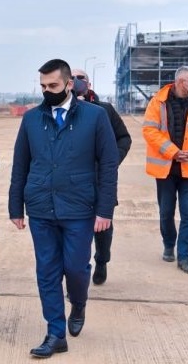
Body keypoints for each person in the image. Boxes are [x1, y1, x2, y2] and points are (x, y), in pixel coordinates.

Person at [9, 59, 119, 359]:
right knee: (47, 271)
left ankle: (79, 304)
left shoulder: (95, 116)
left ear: (69, 84)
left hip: (79, 208)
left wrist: (105, 210)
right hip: (41, 207)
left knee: (76, 268)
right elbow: (20, 164)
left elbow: (108, 165)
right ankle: (55, 333)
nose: (48, 91)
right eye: (43, 86)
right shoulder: (32, 119)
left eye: (53, 85)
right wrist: (15, 206)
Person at [142, 66, 188, 274]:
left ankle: (184, 257)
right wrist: (173, 152)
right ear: (182, 82)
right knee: (166, 212)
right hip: (165, 169)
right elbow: (149, 130)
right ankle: (168, 243)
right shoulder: (158, 102)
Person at [71, 67, 132, 285]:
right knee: (76, 231)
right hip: (74, 183)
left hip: (100, 180)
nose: (76, 80)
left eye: (81, 78)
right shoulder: (61, 110)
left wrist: (111, 161)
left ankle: (102, 260)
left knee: (103, 228)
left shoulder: (104, 110)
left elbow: (124, 138)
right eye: (72, 77)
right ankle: (78, 271)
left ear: (89, 84)